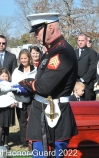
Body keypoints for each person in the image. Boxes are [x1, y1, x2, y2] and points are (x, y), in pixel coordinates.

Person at [12, 13, 78, 157]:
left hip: (54, 116)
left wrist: (25, 83)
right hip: (42, 114)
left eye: (38, 30)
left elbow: (44, 87)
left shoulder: (62, 52)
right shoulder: (50, 52)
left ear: (52, 28)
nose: (35, 35)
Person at [11, 49, 37, 149]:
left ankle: (32, 139)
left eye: (25, 58)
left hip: (32, 99)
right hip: (20, 100)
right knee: (22, 121)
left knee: (32, 120)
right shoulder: (16, 71)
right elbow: (13, 85)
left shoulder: (35, 69)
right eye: (21, 58)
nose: (23, 60)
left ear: (29, 58)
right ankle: (24, 141)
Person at [0, 68, 16, 150]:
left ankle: (6, 143)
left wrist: (14, 102)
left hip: (10, 107)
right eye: (3, 76)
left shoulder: (10, 84)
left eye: (6, 76)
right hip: (3, 107)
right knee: (1, 125)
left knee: (7, 125)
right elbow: (1, 97)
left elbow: (12, 94)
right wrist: (9, 103)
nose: (5, 78)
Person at [75, 33, 97, 100]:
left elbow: (92, 68)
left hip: (87, 84)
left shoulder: (92, 53)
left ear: (86, 41)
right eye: (79, 40)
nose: (80, 42)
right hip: (75, 84)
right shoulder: (74, 52)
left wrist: (82, 79)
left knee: (86, 107)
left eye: (82, 40)